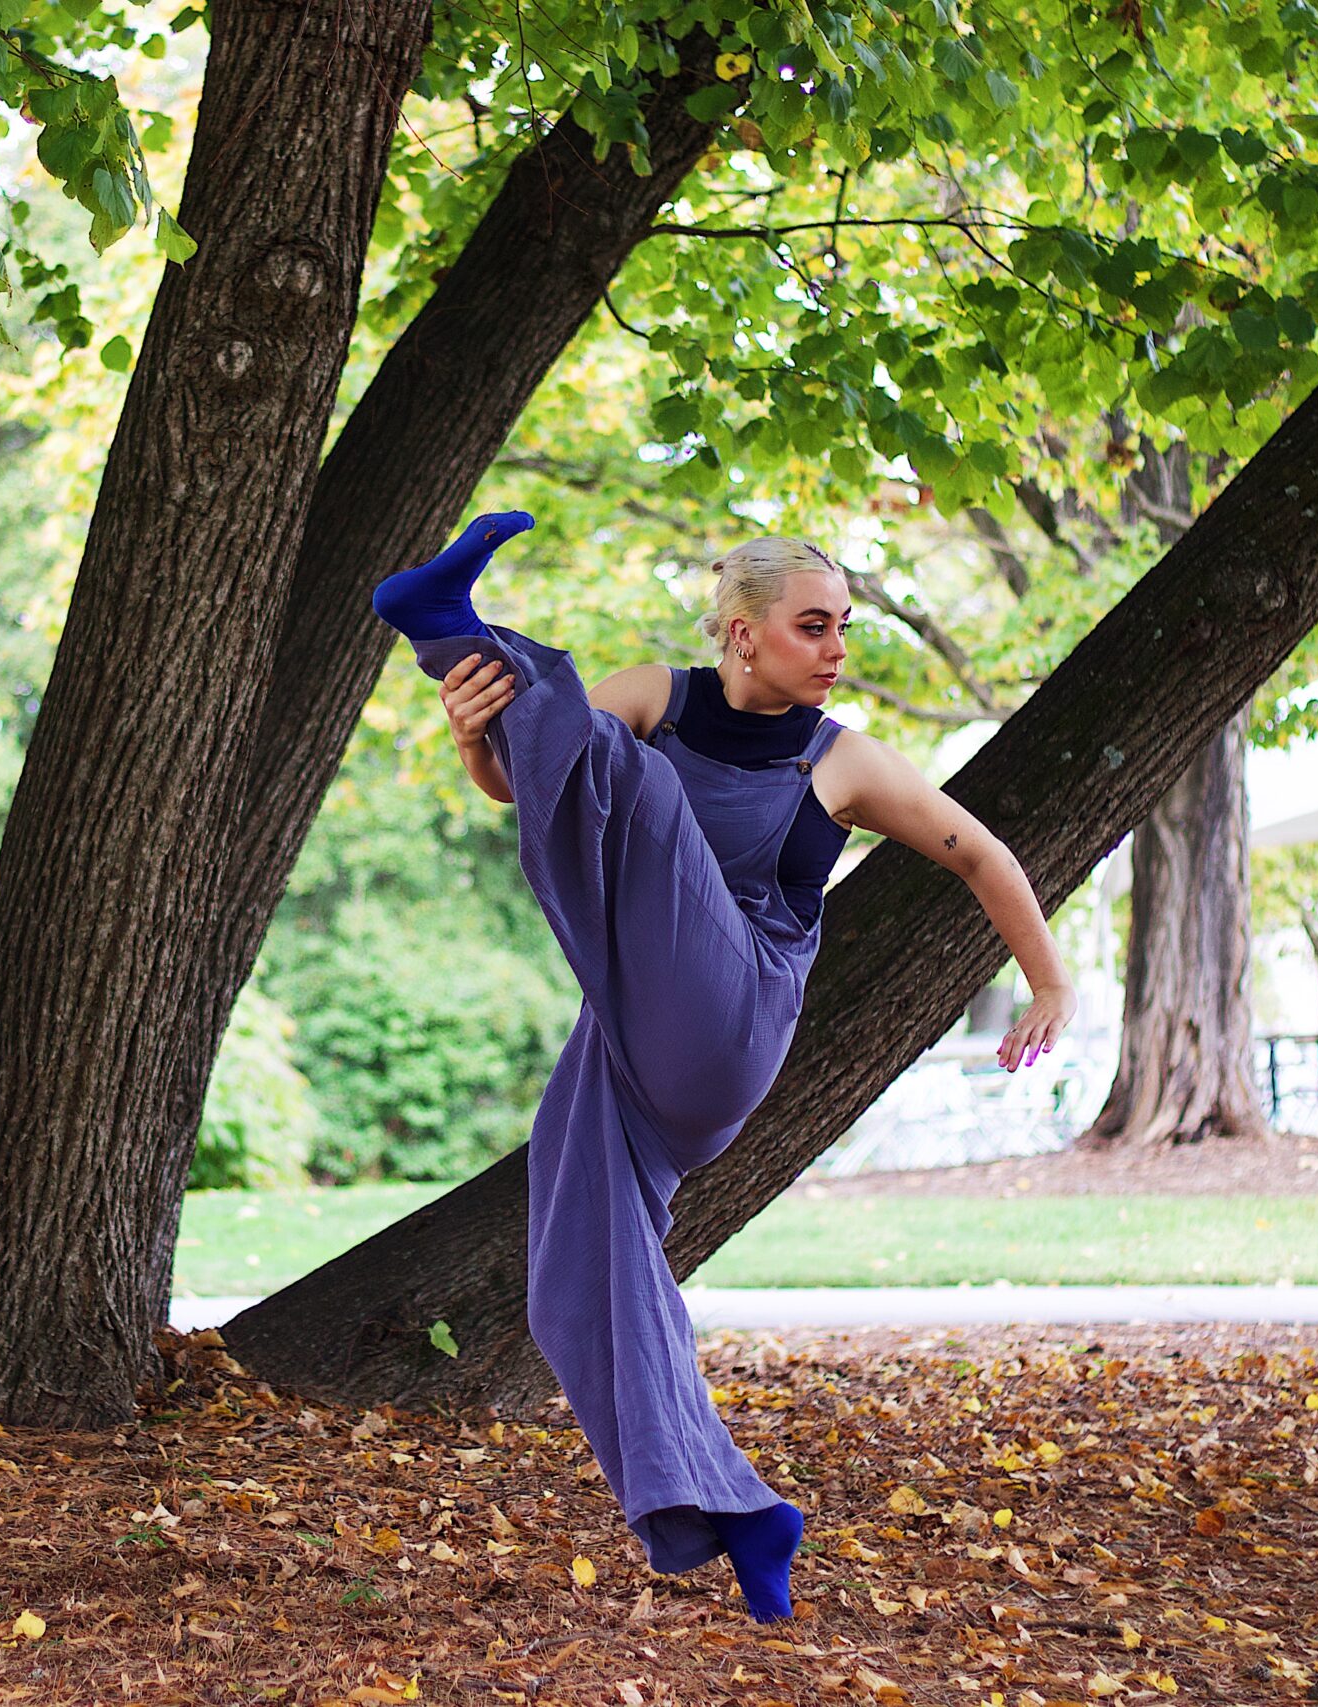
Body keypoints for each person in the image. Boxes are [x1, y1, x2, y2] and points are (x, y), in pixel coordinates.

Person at [370, 515, 1077, 1622]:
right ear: (742, 635)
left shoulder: (840, 759)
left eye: (843, 627)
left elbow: (979, 852)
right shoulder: (655, 694)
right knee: (574, 1284)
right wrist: (475, 740)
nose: (837, 649)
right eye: (812, 628)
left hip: (734, 1015)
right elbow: (535, 782)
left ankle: (445, 625)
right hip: (631, 1031)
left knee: (644, 794)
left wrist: (1051, 983)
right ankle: (732, 1515)